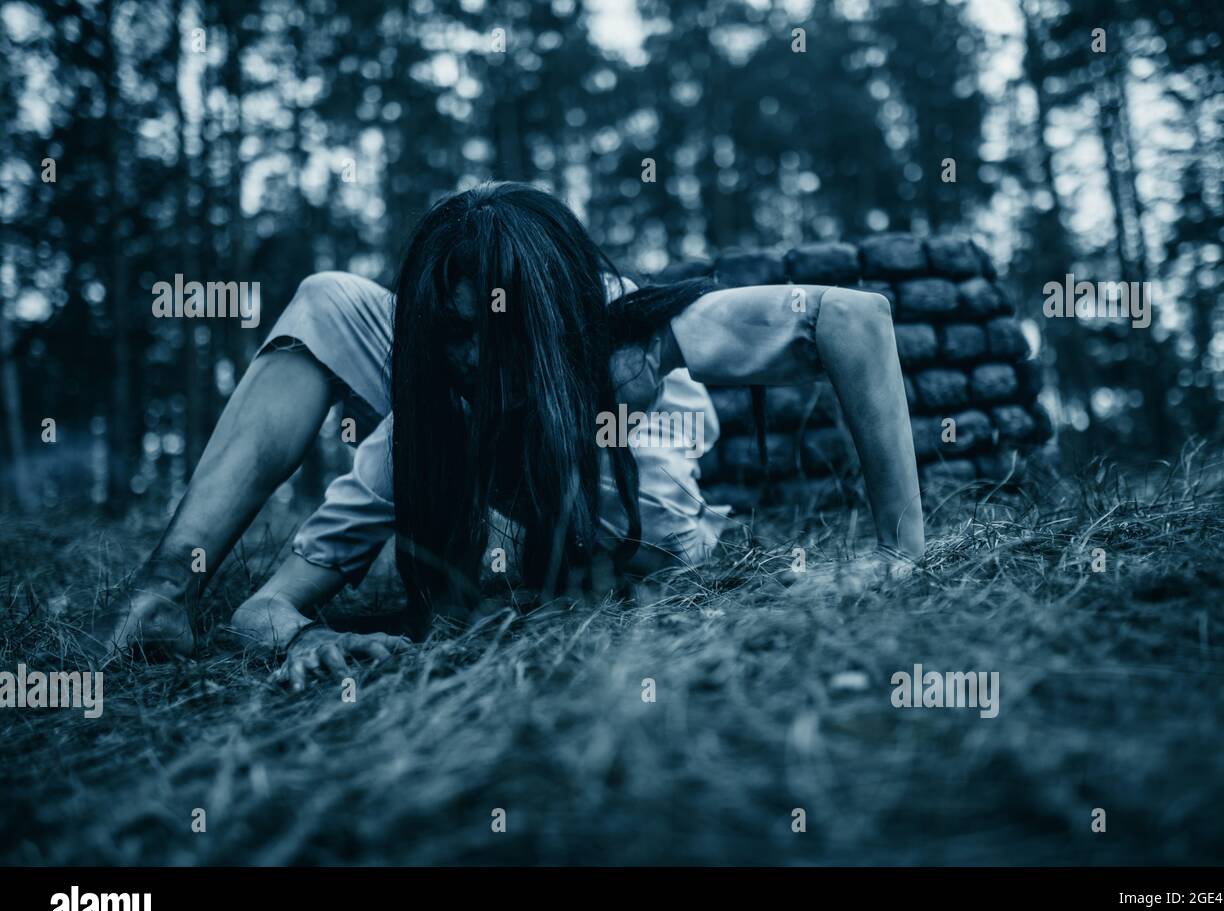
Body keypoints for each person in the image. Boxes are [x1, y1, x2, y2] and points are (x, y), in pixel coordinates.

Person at [83, 182, 923, 688]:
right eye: (454, 333)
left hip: (620, 469)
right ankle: (163, 587)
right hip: (480, 434)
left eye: (498, 332)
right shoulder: (427, 423)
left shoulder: (626, 336)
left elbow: (853, 317)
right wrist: (304, 635)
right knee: (329, 297)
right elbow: (271, 610)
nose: (476, 358)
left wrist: (899, 551)